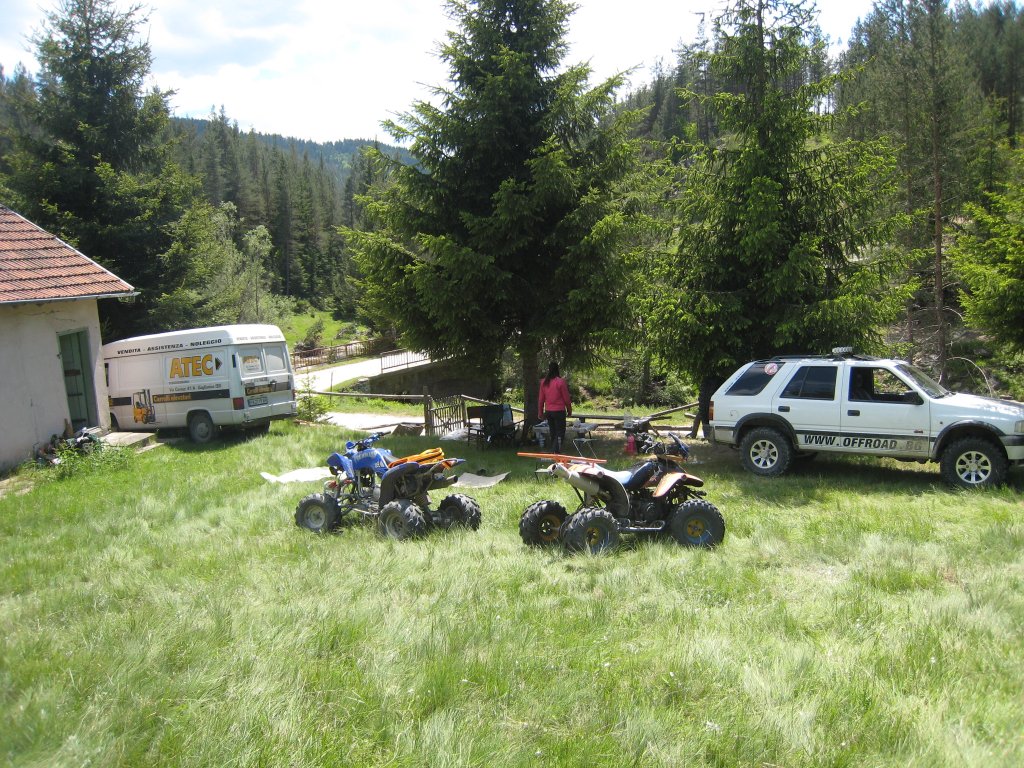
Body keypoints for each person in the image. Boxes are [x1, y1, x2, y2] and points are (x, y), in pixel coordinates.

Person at [538, 362, 572, 453]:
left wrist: (540, 412)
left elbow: (541, 399)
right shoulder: (560, 382)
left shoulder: (544, 382)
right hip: (559, 411)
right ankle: (555, 451)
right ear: (557, 370)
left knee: (553, 431)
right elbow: (566, 399)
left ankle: (554, 450)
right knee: (560, 432)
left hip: (548, 411)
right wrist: (569, 410)